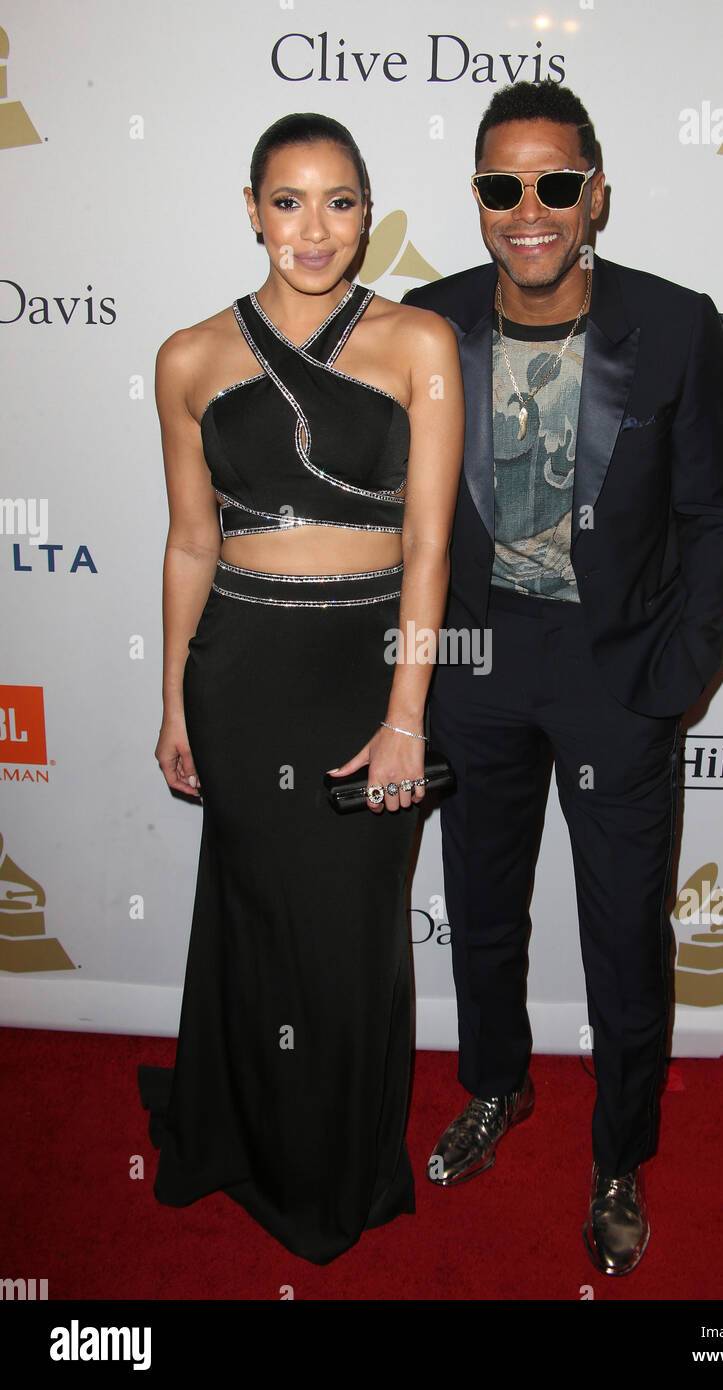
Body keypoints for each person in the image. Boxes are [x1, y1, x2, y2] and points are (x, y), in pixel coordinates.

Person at [403, 81, 723, 1275]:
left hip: (618, 674)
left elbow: (711, 514)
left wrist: (683, 665)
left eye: (555, 182)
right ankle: (496, 1085)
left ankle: (618, 1155)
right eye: (501, 186)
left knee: (623, 931)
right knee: (482, 908)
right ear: (477, 198)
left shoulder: (675, 324)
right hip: (478, 664)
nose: (529, 209)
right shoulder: (428, 323)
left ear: (595, 193)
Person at [137, 113, 464, 1265]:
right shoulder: (188, 356)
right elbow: (191, 541)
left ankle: (333, 1166)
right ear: (251, 209)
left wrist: (406, 715)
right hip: (241, 670)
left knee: (352, 931)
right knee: (254, 915)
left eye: (338, 202)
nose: (313, 229)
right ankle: (242, 1134)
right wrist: (174, 701)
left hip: (367, 670)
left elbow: (429, 547)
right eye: (287, 200)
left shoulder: (418, 341)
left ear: (367, 215)